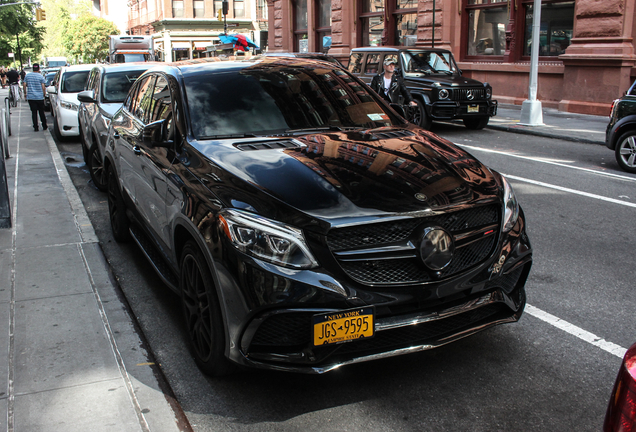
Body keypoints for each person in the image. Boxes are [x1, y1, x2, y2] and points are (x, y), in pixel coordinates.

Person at [23, 63, 48, 132]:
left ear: (33, 68)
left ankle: (36, 127)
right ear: (39, 69)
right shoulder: (40, 76)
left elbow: (24, 84)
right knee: (41, 112)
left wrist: (25, 93)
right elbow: (43, 86)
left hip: (31, 97)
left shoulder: (27, 76)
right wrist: (44, 94)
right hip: (39, 97)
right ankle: (44, 125)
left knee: (34, 112)